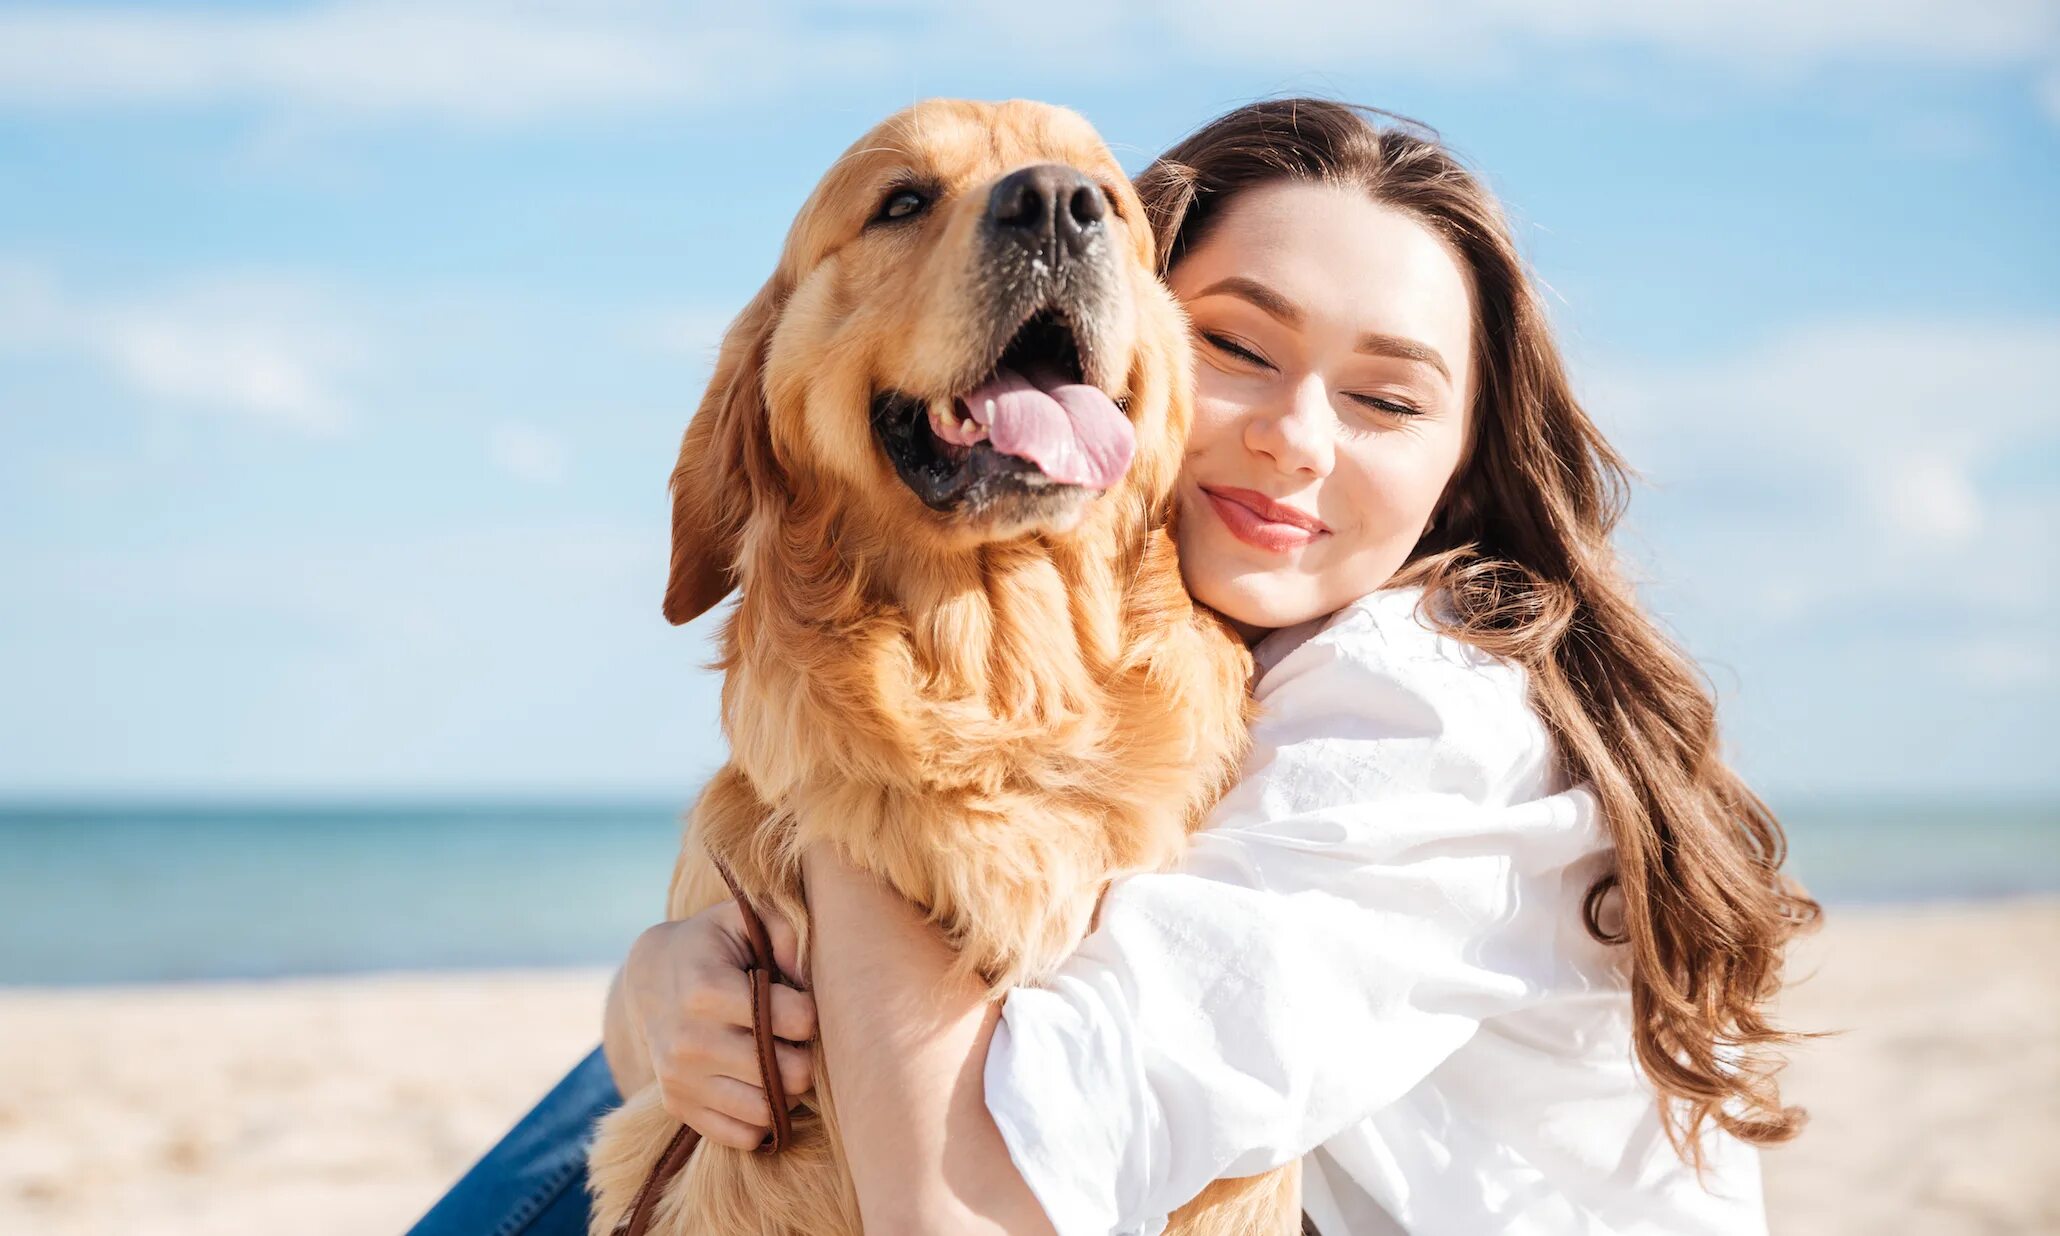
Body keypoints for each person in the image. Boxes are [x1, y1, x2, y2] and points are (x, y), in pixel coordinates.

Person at [409, 98, 1817, 1236]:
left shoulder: (1421, 709)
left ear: (1463, 468)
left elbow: (974, 1204)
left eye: (1387, 399)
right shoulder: (1229, 656)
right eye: (1232, 346)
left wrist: (850, 765)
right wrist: (653, 999)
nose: (1296, 439)